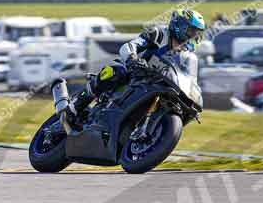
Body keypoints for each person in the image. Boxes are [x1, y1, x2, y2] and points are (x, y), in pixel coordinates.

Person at [66, 9, 206, 122]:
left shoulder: (187, 56)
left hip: (160, 85)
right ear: (179, 26)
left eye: (197, 34)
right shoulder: (158, 34)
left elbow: (190, 79)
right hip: (135, 73)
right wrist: (133, 58)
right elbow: (129, 46)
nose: (194, 37)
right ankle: (77, 104)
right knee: (114, 72)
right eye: (191, 31)